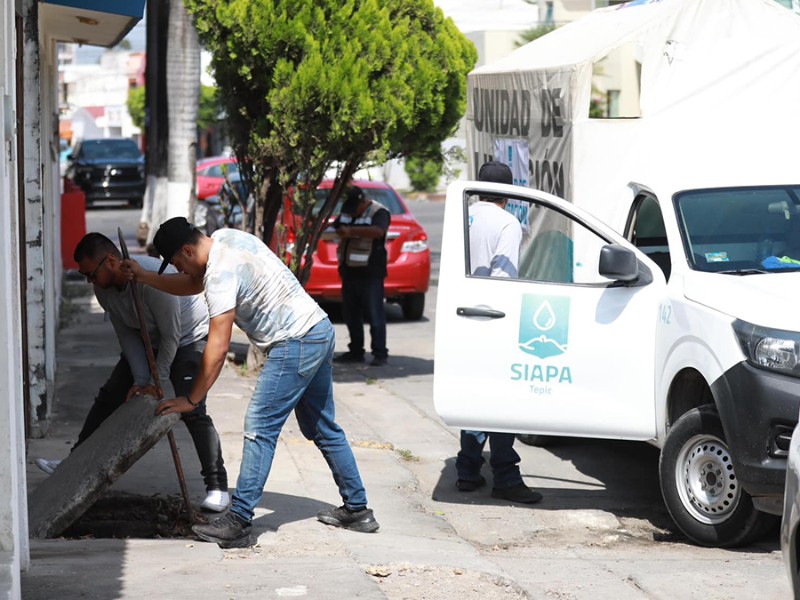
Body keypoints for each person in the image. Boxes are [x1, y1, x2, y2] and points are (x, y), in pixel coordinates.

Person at [122, 217, 379, 548]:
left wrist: (192, 399)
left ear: (187, 249)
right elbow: (195, 282)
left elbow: (217, 347)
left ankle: (238, 520)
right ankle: (358, 510)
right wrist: (144, 277)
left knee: (260, 426)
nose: (179, 269)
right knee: (321, 427)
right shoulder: (226, 239)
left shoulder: (219, 273)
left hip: (294, 341)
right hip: (317, 328)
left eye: (177, 263)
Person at [35, 233, 230, 512]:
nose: (90, 281)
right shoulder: (103, 288)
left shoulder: (149, 280)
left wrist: (155, 380)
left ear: (111, 261)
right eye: (85, 276)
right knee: (109, 397)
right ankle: (73, 462)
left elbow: (171, 336)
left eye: (91, 274)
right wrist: (140, 380)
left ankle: (217, 487)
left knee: (192, 407)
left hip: (186, 337)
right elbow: (126, 334)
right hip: (144, 338)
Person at [455, 161, 543, 504]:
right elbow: (503, 281)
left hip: (463, 316)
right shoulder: (507, 223)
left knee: (476, 394)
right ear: (507, 193)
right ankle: (505, 476)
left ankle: (467, 471)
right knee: (503, 400)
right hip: (493, 317)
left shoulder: (465, 217)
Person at [331, 186, 391, 367]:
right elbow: (336, 224)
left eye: (355, 207)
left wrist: (352, 231)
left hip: (371, 272)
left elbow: (379, 231)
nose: (352, 211)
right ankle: (356, 351)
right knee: (351, 314)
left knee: (375, 314)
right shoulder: (348, 211)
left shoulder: (379, 212)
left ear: (363, 202)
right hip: (349, 271)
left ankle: (380, 353)